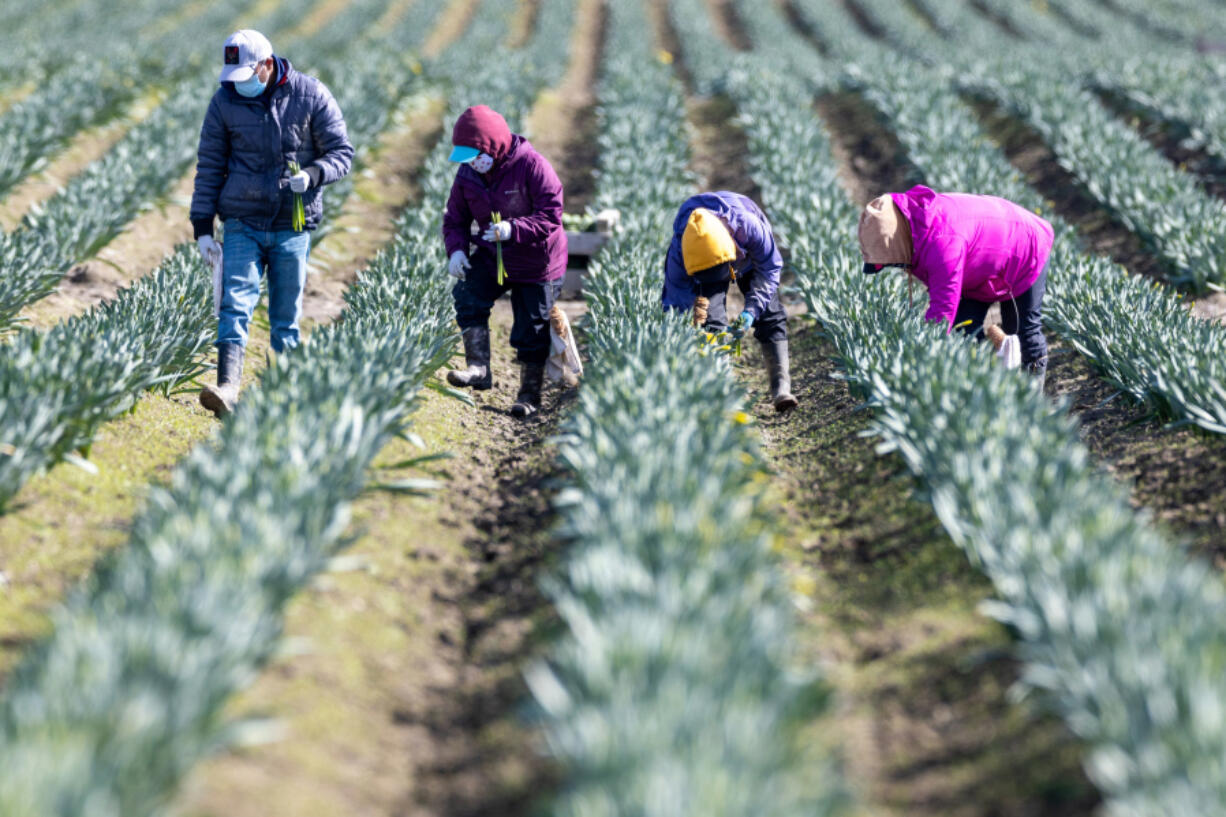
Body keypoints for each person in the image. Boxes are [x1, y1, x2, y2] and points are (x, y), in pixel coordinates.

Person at [190, 29, 354, 417]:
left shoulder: (310, 94)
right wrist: (202, 227)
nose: (240, 85)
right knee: (234, 304)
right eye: (235, 77)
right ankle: (228, 387)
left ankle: (283, 397)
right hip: (242, 219)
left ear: (267, 65)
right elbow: (210, 165)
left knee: (285, 317)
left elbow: (342, 153)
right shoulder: (224, 102)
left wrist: (313, 175)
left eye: (247, 75)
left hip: (291, 224)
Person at [442, 105, 567, 418]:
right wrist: (456, 250)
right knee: (468, 295)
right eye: (467, 157)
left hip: (537, 262)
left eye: (475, 155)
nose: (472, 162)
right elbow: (455, 218)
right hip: (493, 253)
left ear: (492, 146)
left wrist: (514, 228)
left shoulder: (532, 165)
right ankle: (478, 367)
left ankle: (529, 397)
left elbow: (551, 215)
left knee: (533, 329)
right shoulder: (469, 173)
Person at [858, 185, 1052, 386]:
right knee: (964, 331)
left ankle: (1032, 398)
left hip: (1025, 248)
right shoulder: (914, 230)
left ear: (896, 244)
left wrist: (921, 359)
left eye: (891, 261)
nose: (895, 267)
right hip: (978, 266)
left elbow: (942, 312)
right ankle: (986, 389)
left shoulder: (942, 244)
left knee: (1021, 332)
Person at [662, 192, 798, 412]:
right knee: (710, 322)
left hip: (749, 257)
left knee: (770, 315)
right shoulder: (681, 254)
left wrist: (752, 311)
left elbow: (770, 268)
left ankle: (780, 386)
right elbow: (676, 303)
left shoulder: (749, 227)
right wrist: (695, 330)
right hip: (706, 266)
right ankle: (719, 388)